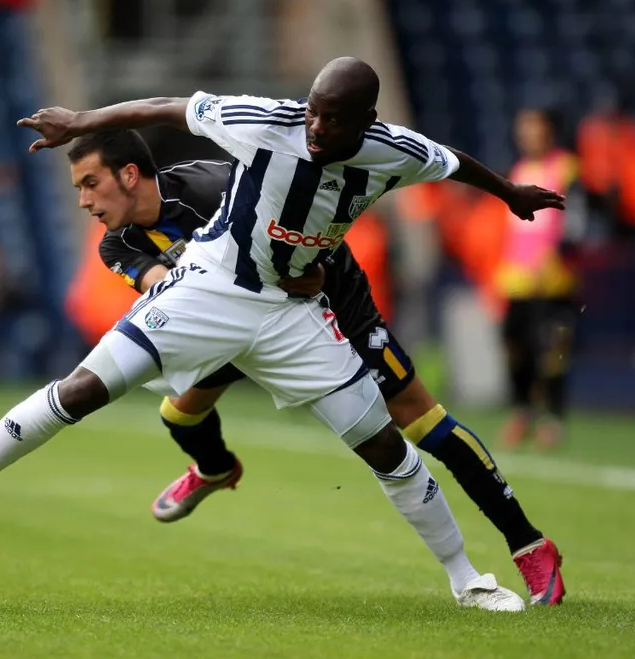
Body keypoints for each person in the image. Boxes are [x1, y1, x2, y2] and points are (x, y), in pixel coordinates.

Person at [0, 57, 563, 611]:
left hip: (307, 305)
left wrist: (509, 193)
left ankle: (468, 578)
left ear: (365, 121)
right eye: (313, 111)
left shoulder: (393, 151)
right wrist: (83, 120)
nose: (316, 126)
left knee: (387, 441)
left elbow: (450, 158)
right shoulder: (261, 124)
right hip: (216, 284)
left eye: (333, 119)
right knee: (89, 388)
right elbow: (168, 107)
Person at [75, 129, 565, 606]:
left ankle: (529, 545)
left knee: (420, 420)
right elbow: (170, 288)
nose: (83, 201)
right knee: (179, 413)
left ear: (130, 175)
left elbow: (300, 220)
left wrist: (315, 272)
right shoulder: (116, 244)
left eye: (89, 184)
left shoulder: (210, 185)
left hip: (331, 298)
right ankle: (215, 468)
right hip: (237, 316)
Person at [495, 109, 581, 450]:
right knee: (516, 349)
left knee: (553, 351)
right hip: (516, 279)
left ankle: (553, 419)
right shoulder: (517, 171)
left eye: (535, 128)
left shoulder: (568, 168)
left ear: (550, 132)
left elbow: (579, 219)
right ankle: (522, 412)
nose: (528, 135)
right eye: (524, 129)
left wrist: (559, 253)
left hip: (554, 279)